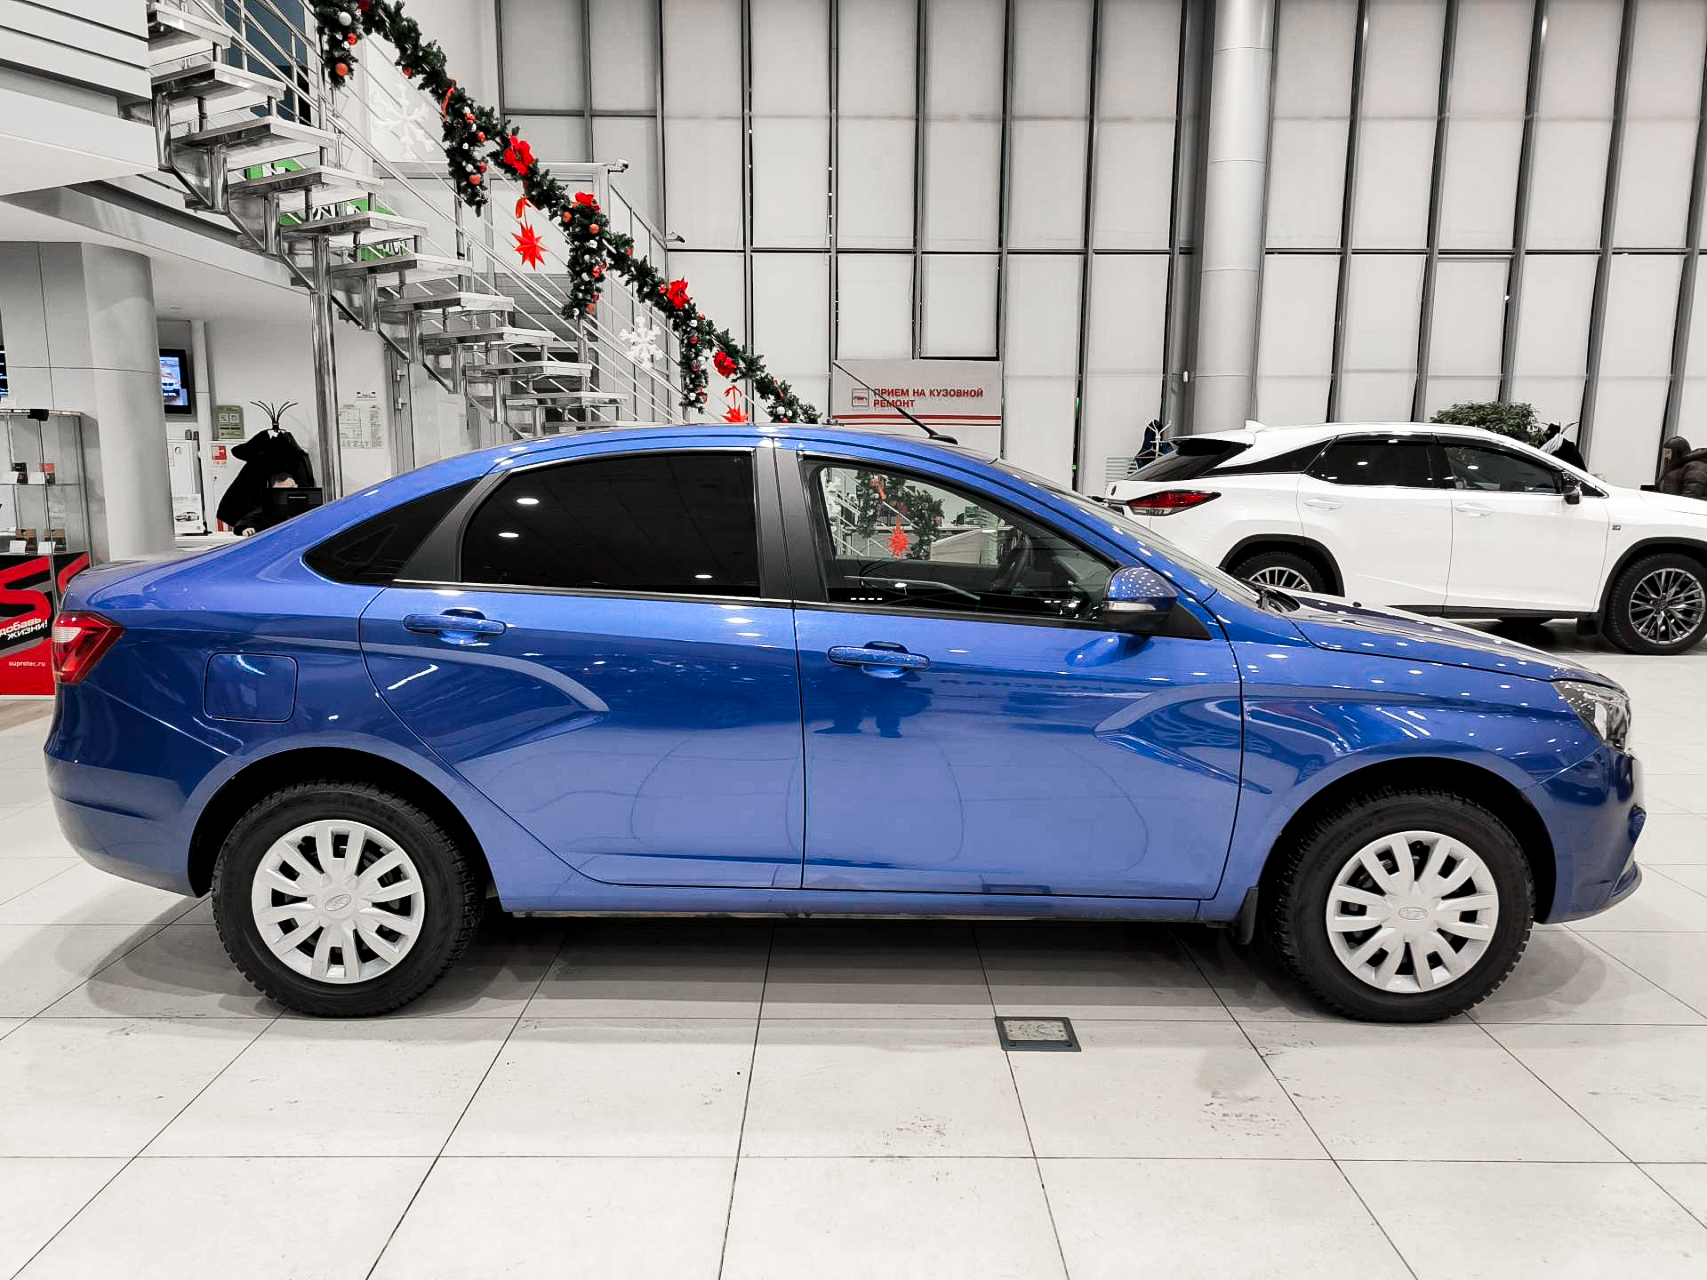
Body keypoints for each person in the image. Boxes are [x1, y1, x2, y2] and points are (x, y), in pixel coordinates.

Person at [234, 473, 299, 536]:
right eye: (282, 491)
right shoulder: (268, 510)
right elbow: (245, 522)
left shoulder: (304, 507)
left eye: (291, 488)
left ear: (296, 486)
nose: (288, 493)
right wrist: (245, 529)